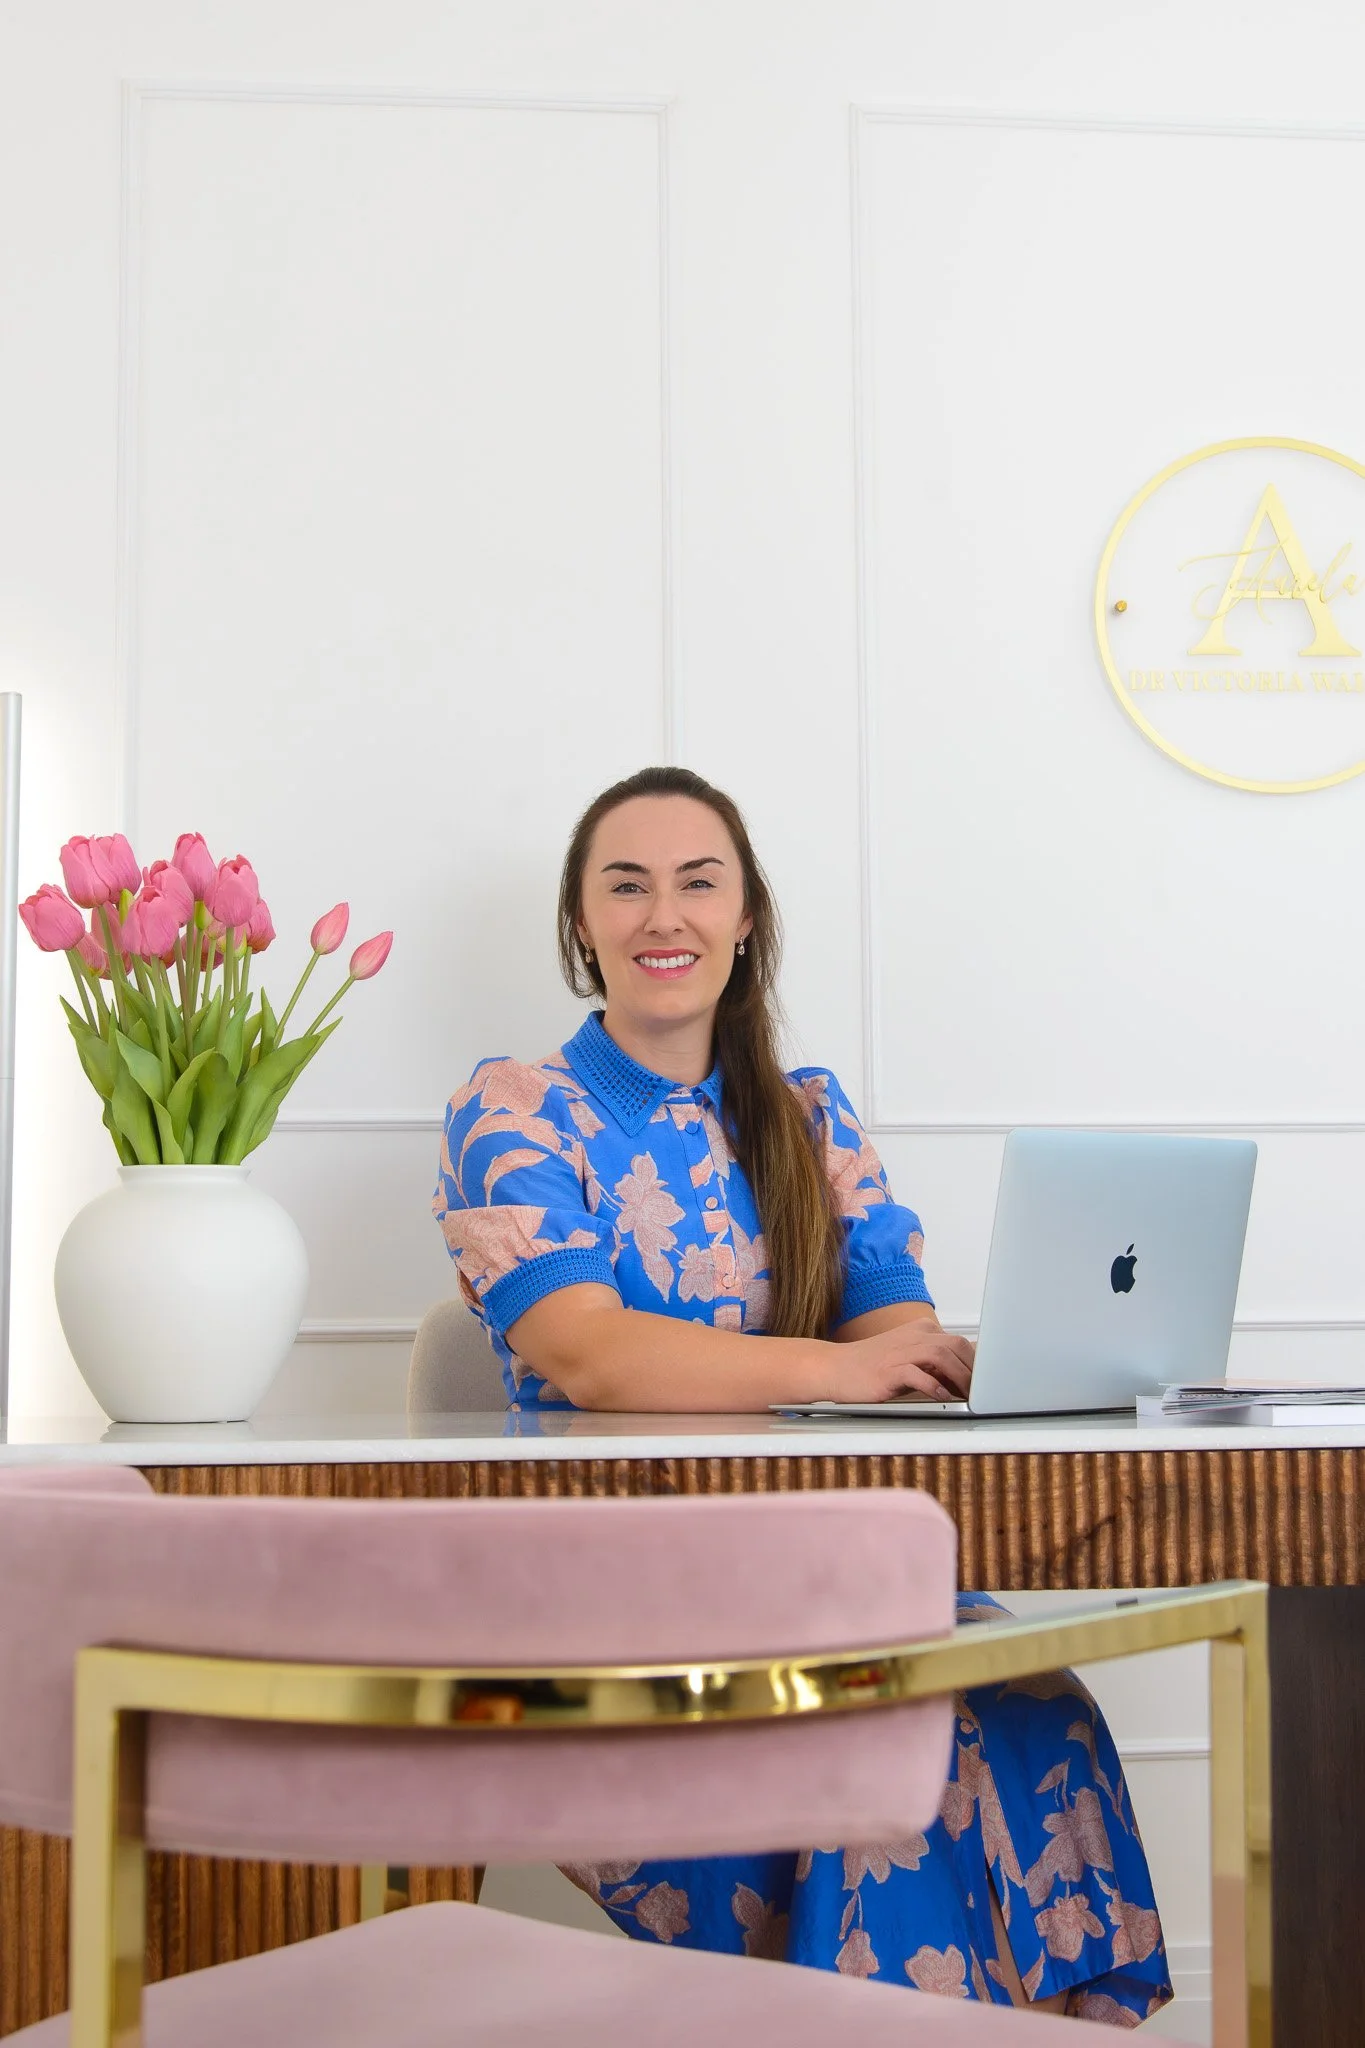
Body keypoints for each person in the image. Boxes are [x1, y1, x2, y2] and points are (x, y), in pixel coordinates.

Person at [433, 765, 1172, 2025]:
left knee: (1027, 1702)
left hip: (828, 1564)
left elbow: (894, 1318)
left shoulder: (807, 1114)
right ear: (581, 927)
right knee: (884, 1741)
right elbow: (591, 1353)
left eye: (697, 882)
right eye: (626, 884)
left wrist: (944, 1357)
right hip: (614, 1597)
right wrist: (837, 1368)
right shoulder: (511, 1108)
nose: (663, 914)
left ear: (747, 917)